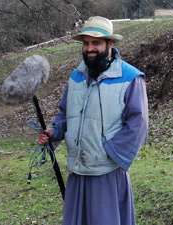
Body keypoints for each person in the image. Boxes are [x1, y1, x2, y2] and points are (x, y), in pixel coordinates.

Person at [38, 16, 149, 225]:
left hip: (107, 174)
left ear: (110, 44)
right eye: (86, 43)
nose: (90, 48)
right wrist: (55, 131)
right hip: (78, 172)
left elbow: (138, 125)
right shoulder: (76, 77)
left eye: (96, 43)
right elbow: (65, 114)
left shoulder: (131, 78)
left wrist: (108, 152)